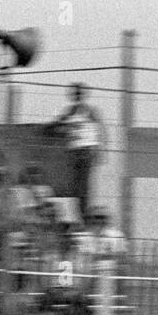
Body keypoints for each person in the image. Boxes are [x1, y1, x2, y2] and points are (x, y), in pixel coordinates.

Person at [46, 83, 105, 216]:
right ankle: (77, 214)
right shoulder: (68, 112)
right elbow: (53, 127)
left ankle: (84, 215)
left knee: (83, 187)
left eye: (79, 94)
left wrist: (99, 150)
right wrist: (62, 128)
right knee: (74, 187)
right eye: (75, 94)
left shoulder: (90, 112)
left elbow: (99, 131)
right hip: (73, 152)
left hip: (86, 151)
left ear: (84, 95)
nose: (77, 97)